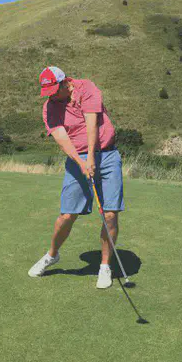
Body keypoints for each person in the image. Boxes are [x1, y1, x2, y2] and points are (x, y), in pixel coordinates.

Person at [28, 66, 124, 289]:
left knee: (110, 214)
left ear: (64, 83)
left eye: (54, 89)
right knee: (67, 215)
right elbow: (63, 139)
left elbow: (92, 123)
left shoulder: (86, 88)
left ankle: (104, 267)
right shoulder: (50, 107)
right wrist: (81, 163)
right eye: (47, 91)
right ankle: (52, 255)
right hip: (76, 159)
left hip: (107, 155)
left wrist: (91, 157)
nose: (51, 95)